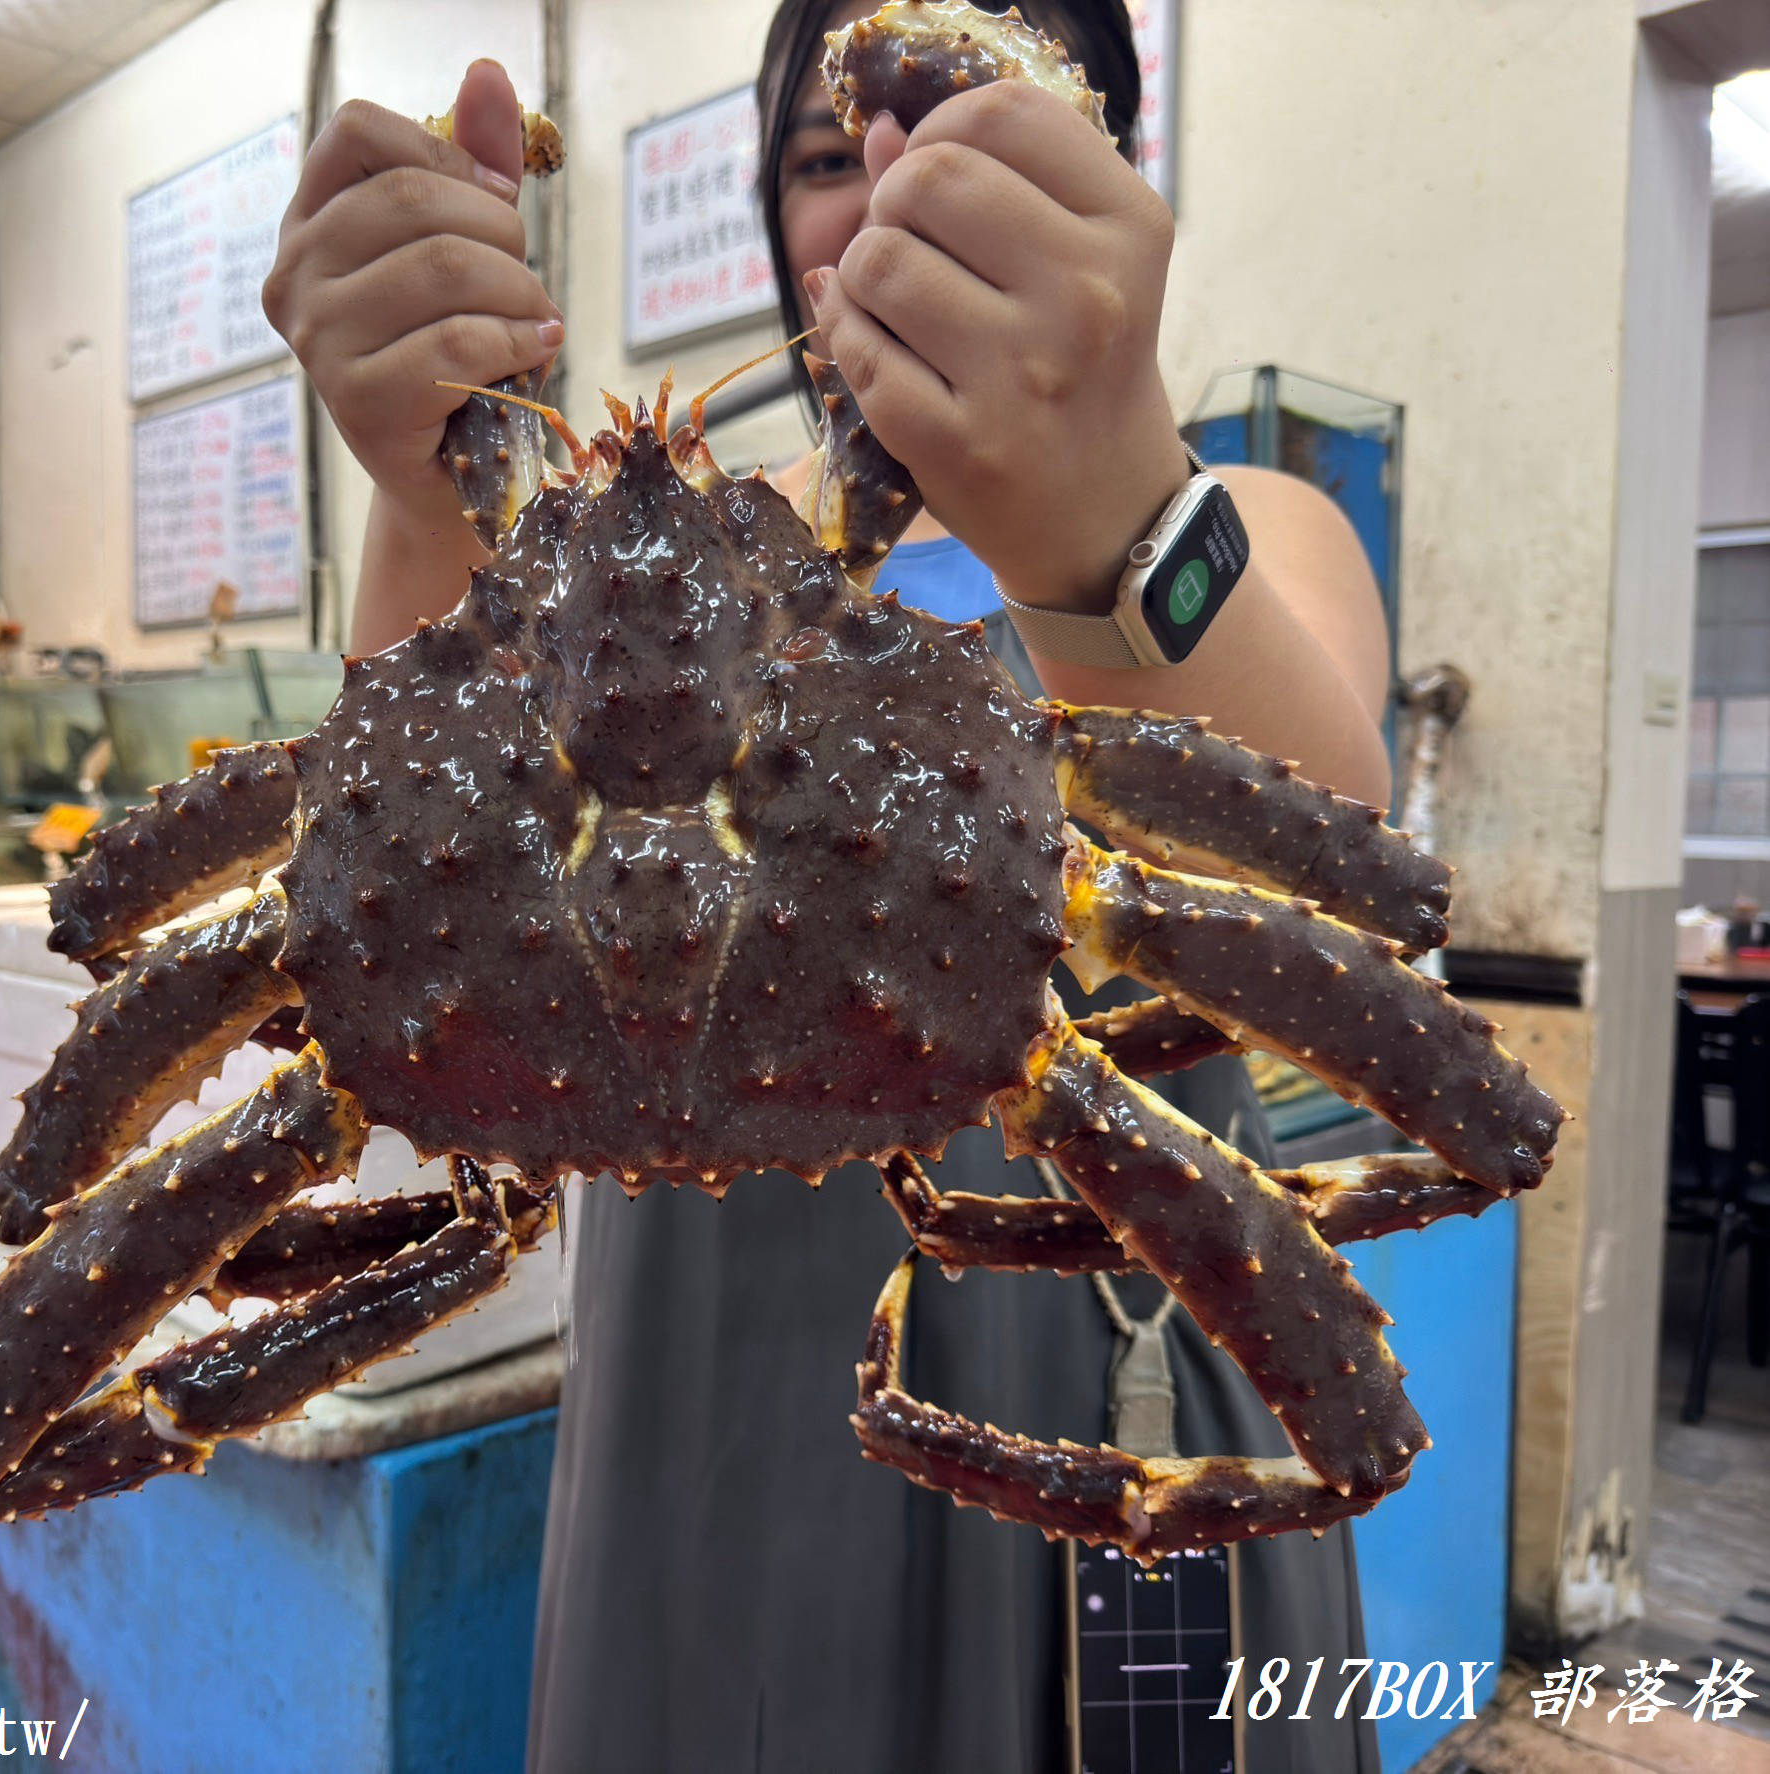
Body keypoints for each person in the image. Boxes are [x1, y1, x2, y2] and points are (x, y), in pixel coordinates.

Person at [264, 2, 1391, 1767]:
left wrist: (1103, 517)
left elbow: (1342, 881)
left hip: (1115, 1411)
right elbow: (413, 939)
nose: (887, 193)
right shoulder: (643, 543)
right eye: (821, 157)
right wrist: (422, 487)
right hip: (695, 1417)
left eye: (969, 128)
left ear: (1114, 178)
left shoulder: (1245, 520)